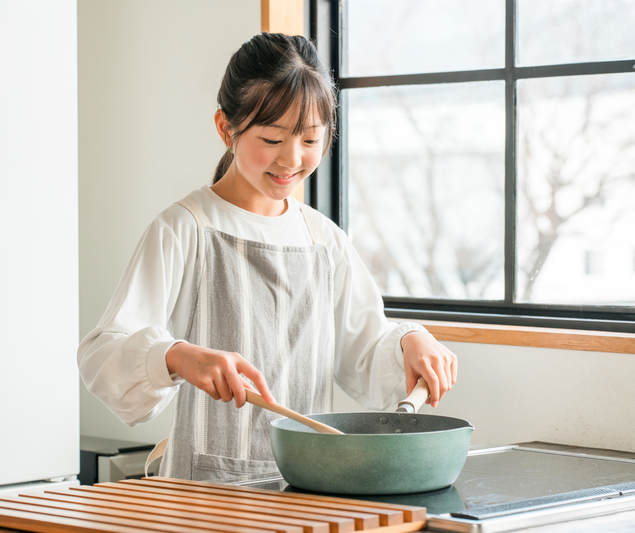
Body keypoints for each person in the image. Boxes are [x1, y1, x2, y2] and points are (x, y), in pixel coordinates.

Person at [77, 32, 457, 482]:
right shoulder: (185, 228)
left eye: (310, 140)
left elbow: (366, 355)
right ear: (226, 128)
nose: (291, 159)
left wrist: (409, 341)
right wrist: (177, 357)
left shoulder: (325, 241)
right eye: (273, 139)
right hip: (203, 495)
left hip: (306, 490)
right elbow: (102, 354)